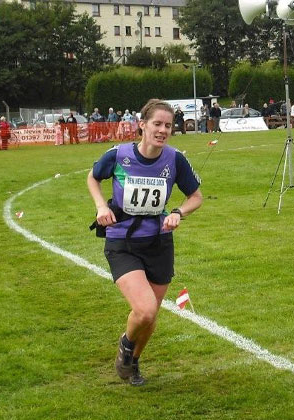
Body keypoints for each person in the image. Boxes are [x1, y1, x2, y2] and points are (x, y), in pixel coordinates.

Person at [87, 98, 203, 386]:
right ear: (142, 125)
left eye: (168, 125)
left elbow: (196, 198)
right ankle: (126, 343)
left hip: (159, 243)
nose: (163, 130)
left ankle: (133, 361)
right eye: (157, 124)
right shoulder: (119, 155)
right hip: (122, 241)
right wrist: (101, 206)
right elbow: (93, 177)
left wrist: (178, 212)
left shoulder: (175, 159)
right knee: (146, 309)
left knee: (150, 319)